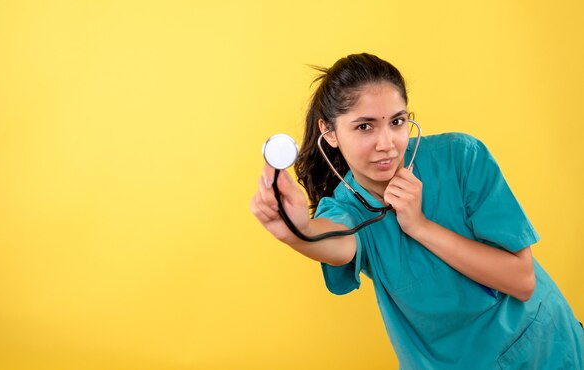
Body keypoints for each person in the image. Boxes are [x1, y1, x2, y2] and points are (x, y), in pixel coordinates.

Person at [250, 53, 584, 369]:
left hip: (543, 349)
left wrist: (420, 226)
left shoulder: (461, 158)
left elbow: (523, 281)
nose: (387, 143)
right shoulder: (345, 208)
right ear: (330, 133)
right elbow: (338, 245)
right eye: (364, 126)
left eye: (396, 122)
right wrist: (297, 232)